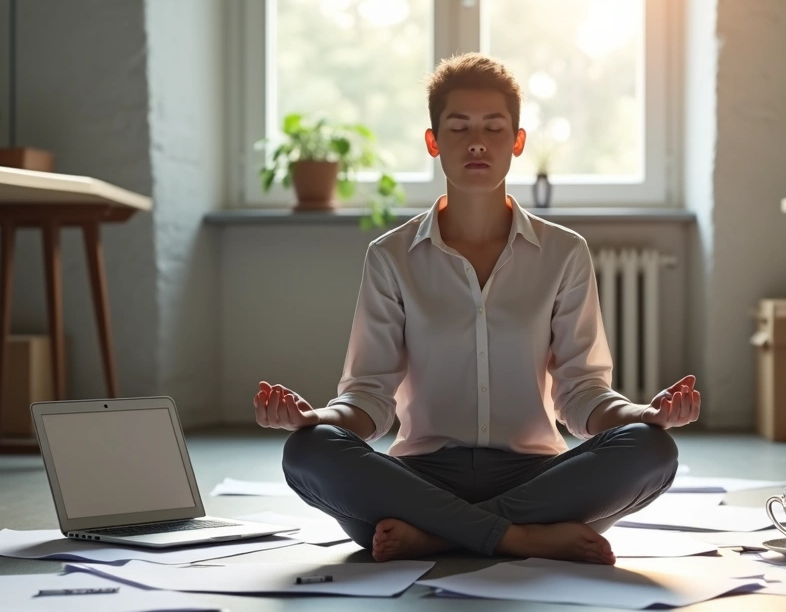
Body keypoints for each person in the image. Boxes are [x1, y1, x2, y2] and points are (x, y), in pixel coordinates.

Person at [254, 52, 701, 565]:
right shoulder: (390, 256)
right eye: (459, 127)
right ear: (433, 142)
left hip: (534, 479)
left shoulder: (564, 252)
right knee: (309, 451)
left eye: (493, 127)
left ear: (517, 141)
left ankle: (439, 535)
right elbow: (369, 396)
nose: (476, 142)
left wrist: (642, 414)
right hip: (420, 478)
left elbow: (582, 392)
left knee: (652, 449)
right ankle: (520, 538)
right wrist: (317, 418)